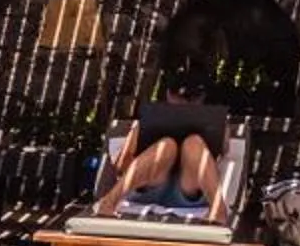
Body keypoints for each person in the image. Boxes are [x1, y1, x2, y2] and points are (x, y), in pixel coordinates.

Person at [95, 75, 229, 219]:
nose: (184, 102)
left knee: (193, 143)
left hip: (188, 190)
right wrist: (143, 160)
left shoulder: (215, 124)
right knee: (166, 146)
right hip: (149, 187)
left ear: (201, 98)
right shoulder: (146, 122)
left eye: (190, 98)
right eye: (179, 97)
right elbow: (121, 167)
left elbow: (221, 158)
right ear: (169, 95)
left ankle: (218, 209)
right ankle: (109, 202)